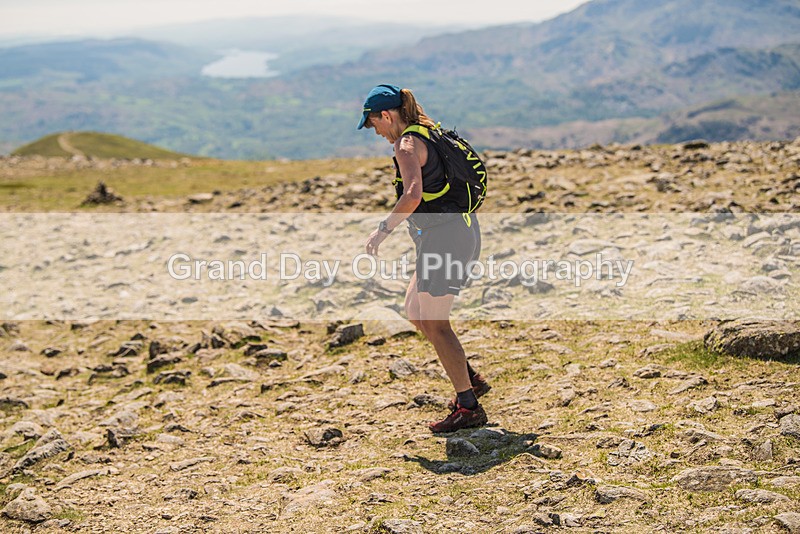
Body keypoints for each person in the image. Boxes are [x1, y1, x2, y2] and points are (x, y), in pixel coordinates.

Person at [359, 84, 491, 432]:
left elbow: (412, 195)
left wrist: (383, 229)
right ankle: (469, 376)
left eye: (375, 125)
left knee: (435, 323)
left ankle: (468, 405)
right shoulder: (429, 130)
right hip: (455, 231)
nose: (378, 134)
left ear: (386, 115)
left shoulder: (406, 145)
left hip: (445, 239)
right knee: (416, 312)